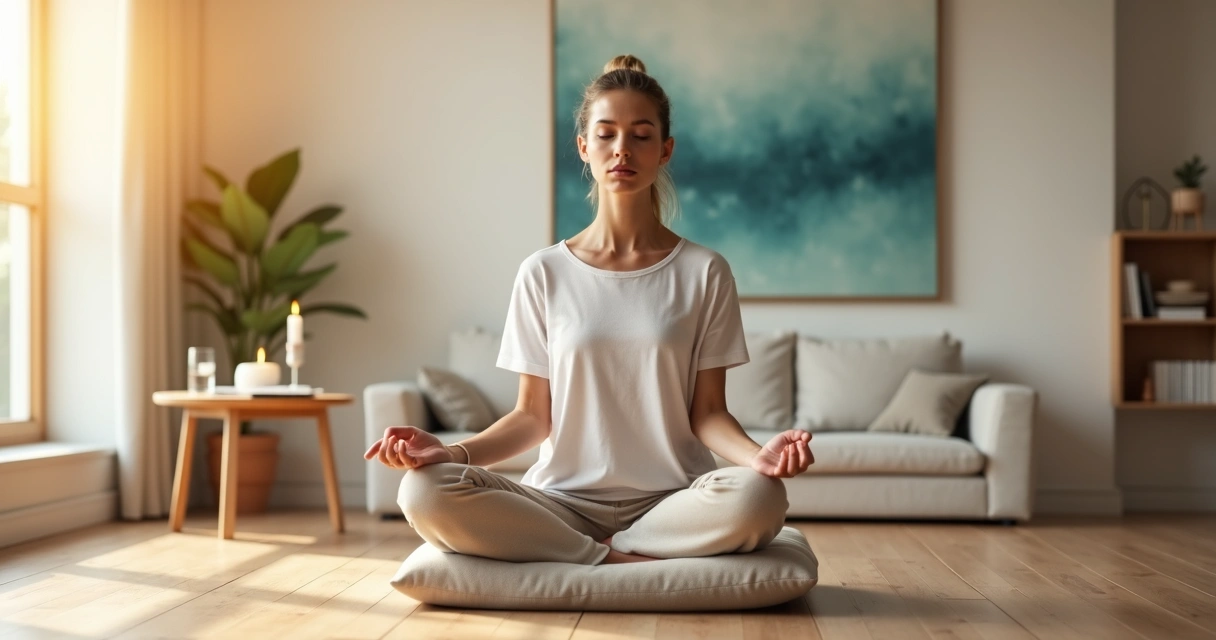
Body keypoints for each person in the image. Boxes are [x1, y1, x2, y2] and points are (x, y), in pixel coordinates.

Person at [365, 54, 814, 566]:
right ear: (584, 145)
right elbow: (532, 418)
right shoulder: (543, 272)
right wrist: (450, 455)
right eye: (606, 133)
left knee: (762, 497)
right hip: (560, 502)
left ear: (665, 150)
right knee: (422, 492)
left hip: (673, 500)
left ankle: (590, 557)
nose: (623, 148)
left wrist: (758, 457)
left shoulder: (705, 271)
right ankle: (618, 559)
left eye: (641, 135)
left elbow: (708, 414)